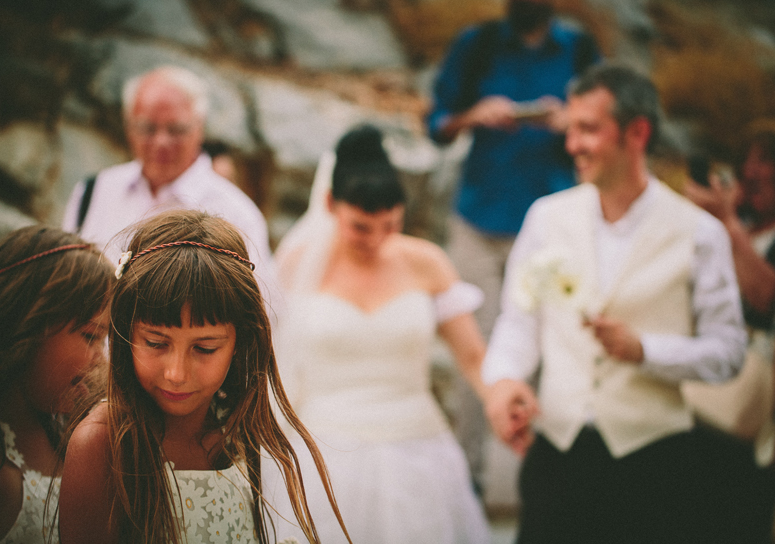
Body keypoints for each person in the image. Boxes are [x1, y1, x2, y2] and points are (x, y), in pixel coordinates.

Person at [482, 64, 747, 544]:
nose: (573, 144)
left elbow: (729, 352)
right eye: (571, 129)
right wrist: (503, 382)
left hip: (654, 466)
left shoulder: (700, 234)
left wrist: (646, 350)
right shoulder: (546, 218)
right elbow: (518, 321)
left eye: (589, 129)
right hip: (555, 458)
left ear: (637, 132)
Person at [58, 210, 347, 544]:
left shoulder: (237, 430)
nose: (176, 374)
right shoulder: (104, 443)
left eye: (205, 349)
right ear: (125, 332)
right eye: (156, 343)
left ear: (240, 342)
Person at [269, 125, 491, 543]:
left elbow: (472, 356)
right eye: (360, 227)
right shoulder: (297, 265)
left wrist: (498, 399)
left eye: (389, 225)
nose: (376, 239)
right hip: (325, 452)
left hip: (416, 445)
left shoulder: (427, 262)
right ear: (331, 204)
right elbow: (278, 361)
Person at [427, 0, 600, 494]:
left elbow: (605, 121)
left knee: (556, 346)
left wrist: (572, 121)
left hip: (556, 223)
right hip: (481, 217)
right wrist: (473, 115)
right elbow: (436, 122)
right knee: (474, 348)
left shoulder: (581, 48)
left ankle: (544, 477)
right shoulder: (476, 44)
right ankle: (469, 479)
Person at [61, 65, 280, 319]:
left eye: (176, 129)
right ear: (128, 126)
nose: (161, 142)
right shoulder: (93, 192)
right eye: (147, 128)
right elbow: (68, 288)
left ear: (200, 127)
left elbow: (260, 314)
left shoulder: (237, 214)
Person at [0, 226, 113, 544]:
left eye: (104, 340)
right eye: (89, 336)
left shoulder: (66, 431)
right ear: (25, 325)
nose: (101, 359)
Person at [684, 122, 775, 543]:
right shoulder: (727, 225)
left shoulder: (740, 229)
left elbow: (765, 297)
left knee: (741, 506)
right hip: (705, 388)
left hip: (755, 397)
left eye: (764, 177)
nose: (753, 184)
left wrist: (728, 222)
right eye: (747, 175)